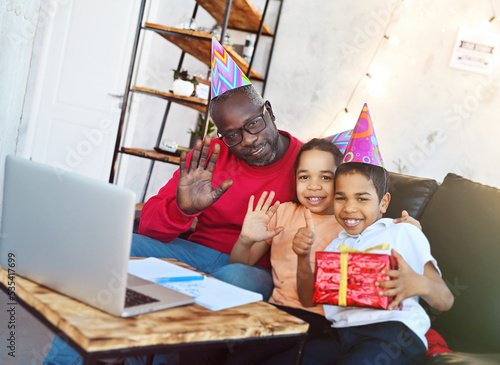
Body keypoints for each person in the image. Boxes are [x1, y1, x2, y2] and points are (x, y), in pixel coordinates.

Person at [223, 138, 422, 365]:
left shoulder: (351, 222)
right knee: (233, 356)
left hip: (324, 322)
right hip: (276, 310)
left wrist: (411, 226)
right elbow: (239, 264)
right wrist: (245, 239)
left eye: (325, 177)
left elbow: (387, 231)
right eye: (304, 177)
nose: (314, 186)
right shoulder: (284, 213)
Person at [283, 106, 453, 365]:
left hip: (392, 335)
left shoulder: (403, 231)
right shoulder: (335, 244)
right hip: (338, 333)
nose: (349, 208)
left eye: (362, 199)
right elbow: (308, 298)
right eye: (341, 198)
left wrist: (418, 284)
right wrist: (303, 257)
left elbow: (445, 299)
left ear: (383, 203)